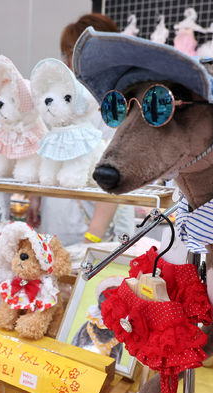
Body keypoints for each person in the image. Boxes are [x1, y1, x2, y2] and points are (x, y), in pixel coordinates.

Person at [27, 13, 135, 246]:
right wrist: (36, 197)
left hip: (93, 229)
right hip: (59, 221)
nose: (68, 62)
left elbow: (114, 172)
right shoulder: (67, 101)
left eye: (74, 53)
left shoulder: (113, 105)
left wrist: (92, 237)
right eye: (66, 54)